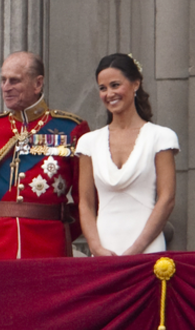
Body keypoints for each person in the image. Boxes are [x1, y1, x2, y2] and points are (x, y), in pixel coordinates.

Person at [0, 51, 90, 260]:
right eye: (3, 80)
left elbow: (85, 199)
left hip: (49, 243)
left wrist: (62, 230)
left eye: (14, 81)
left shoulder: (71, 129)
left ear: (38, 84)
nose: (6, 87)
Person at [75, 53, 177, 256]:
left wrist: (137, 249)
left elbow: (167, 198)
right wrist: (96, 248)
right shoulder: (88, 142)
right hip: (104, 250)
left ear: (135, 84)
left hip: (147, 248)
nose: (109, 93)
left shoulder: (161, 137)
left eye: (115, 85)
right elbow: (85, 203)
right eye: (103, 88)